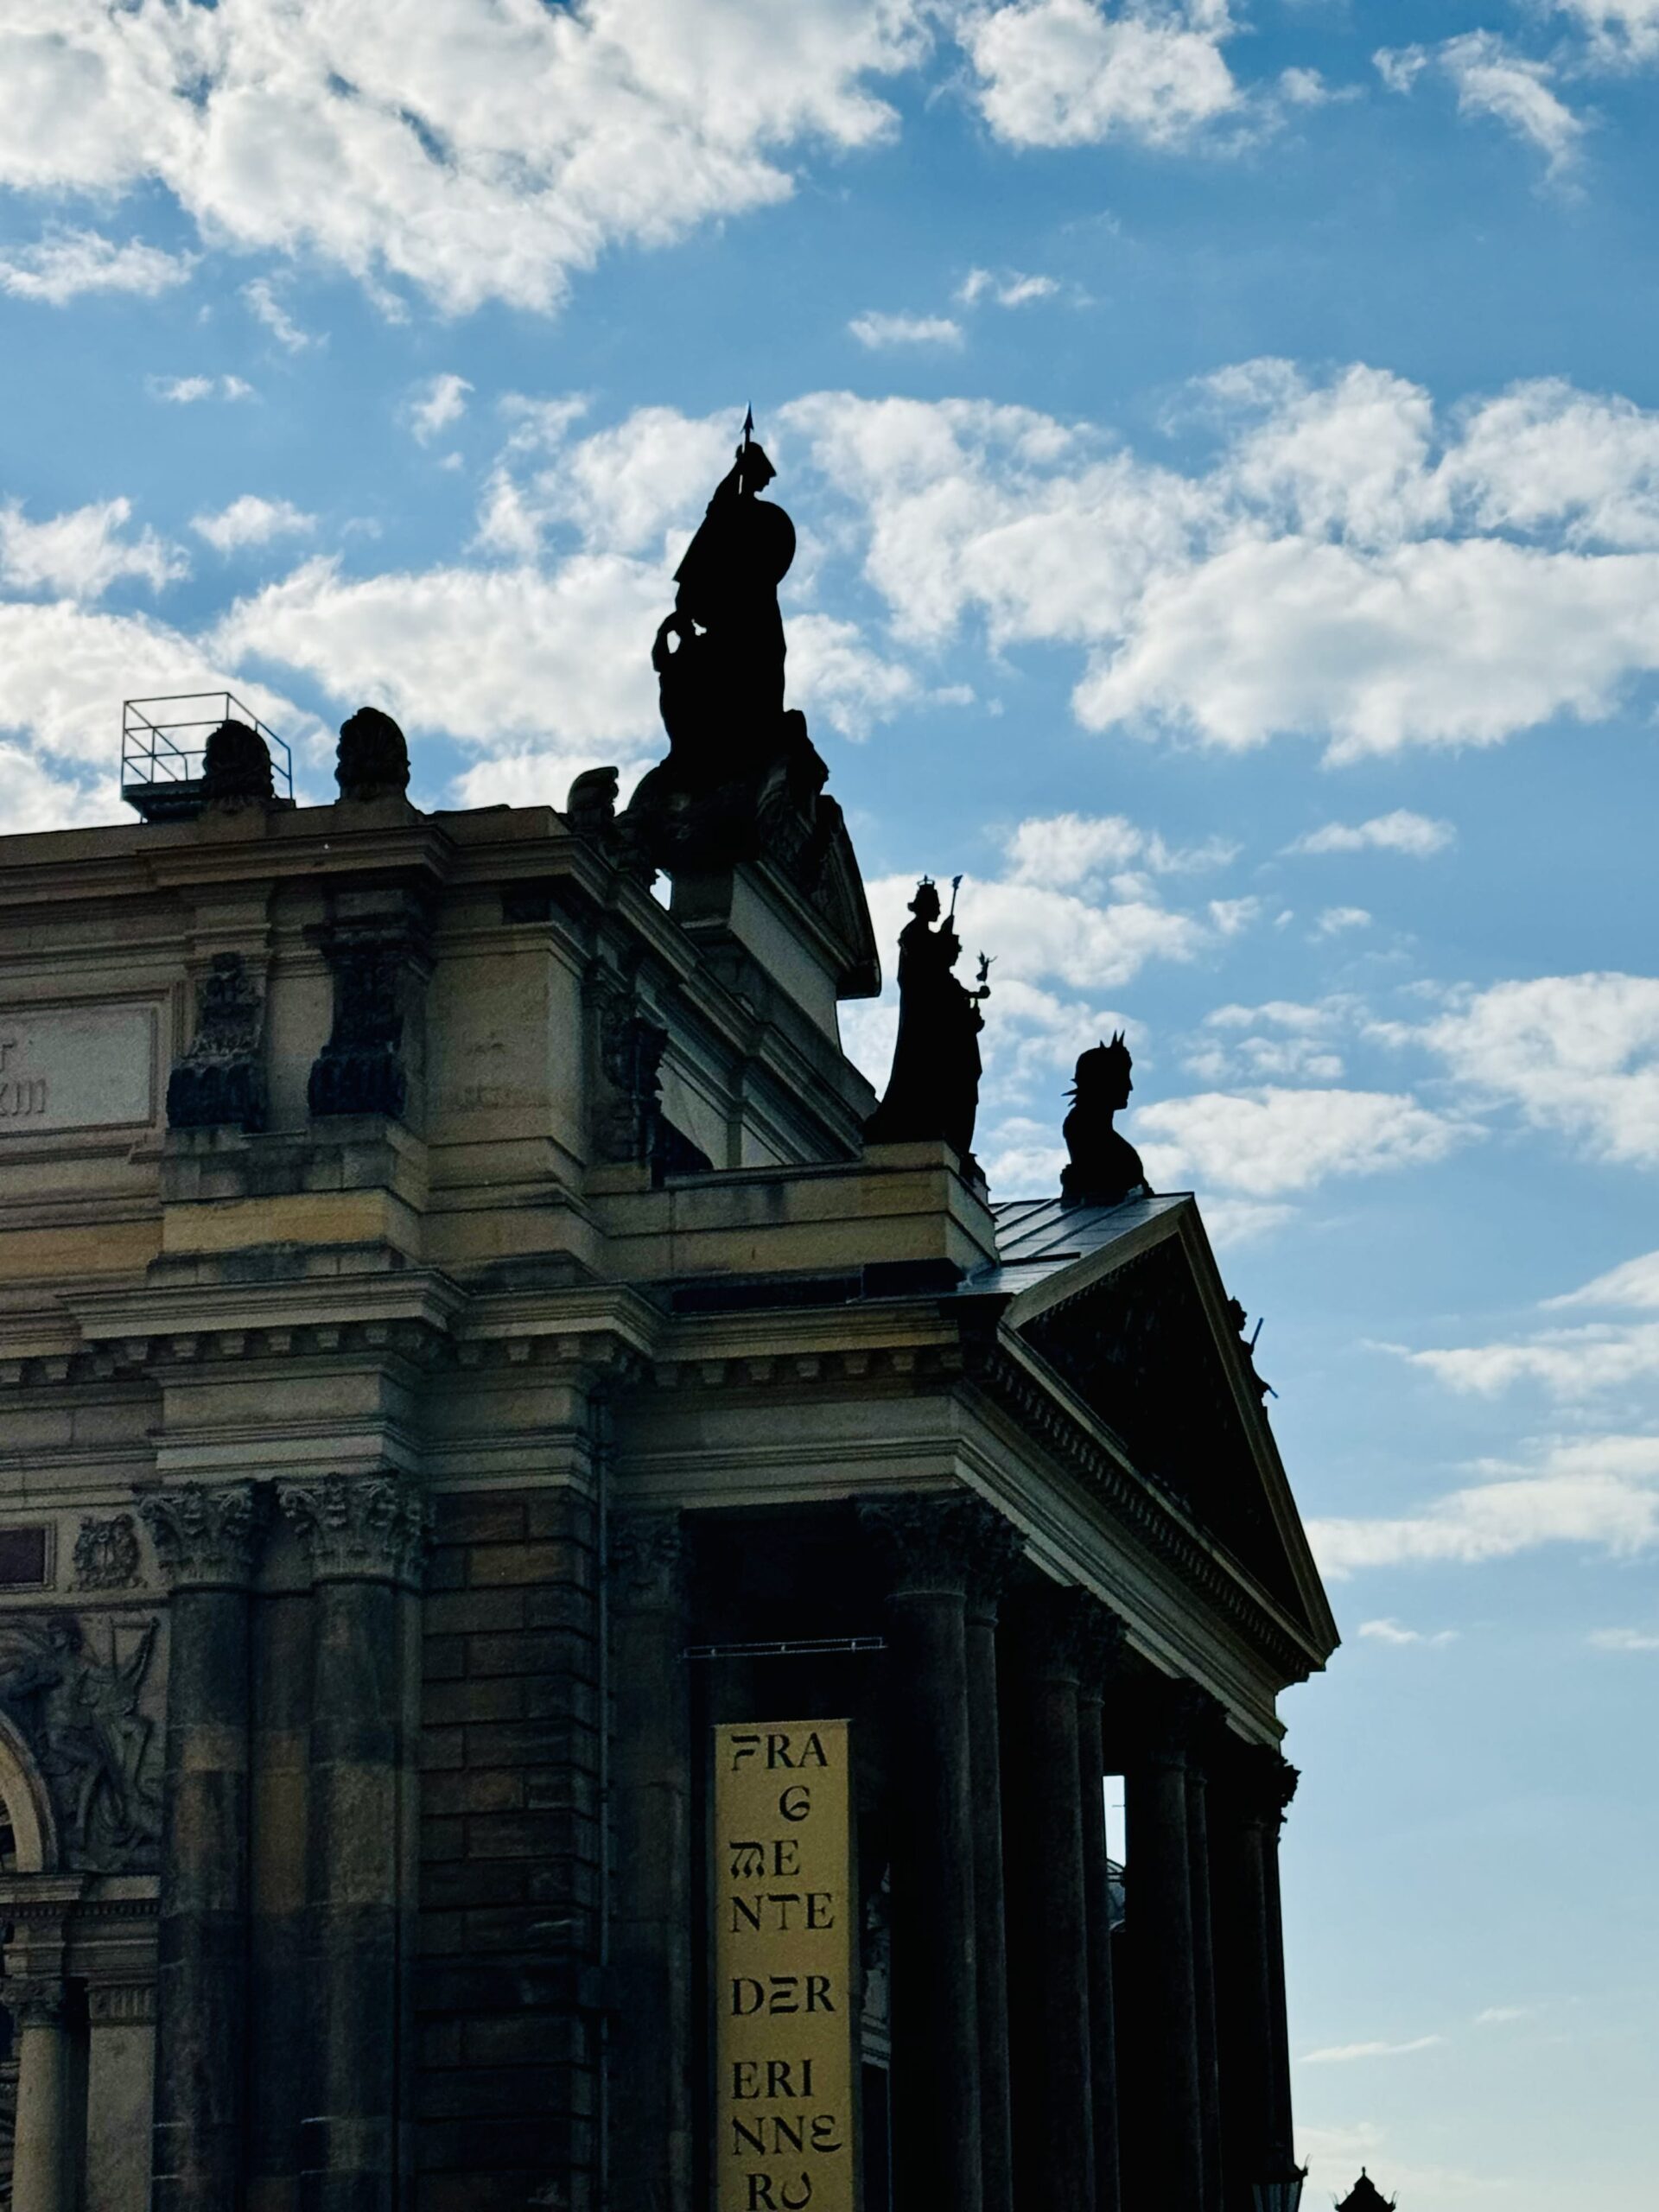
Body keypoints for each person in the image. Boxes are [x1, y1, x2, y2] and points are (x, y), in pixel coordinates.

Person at [866, 880, 992, 1176]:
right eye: (934, 904)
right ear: (924, 906)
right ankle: (937, 1129)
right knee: (939, 1078)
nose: (937, 908)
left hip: (945, 1033)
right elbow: (926, 977)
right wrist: (943, 941)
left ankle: (957, 1143)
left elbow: (943, 981)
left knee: (961, 1082)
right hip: (928, 1031)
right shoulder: (912, 936)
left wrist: (969, 1014)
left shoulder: (930, 949)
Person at [1059, 1033, 1151, 1208]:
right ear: (1101, 1081)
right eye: (1122, 1077)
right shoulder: (1081, 1126)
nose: (1129, 1086)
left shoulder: (1088, 1126)